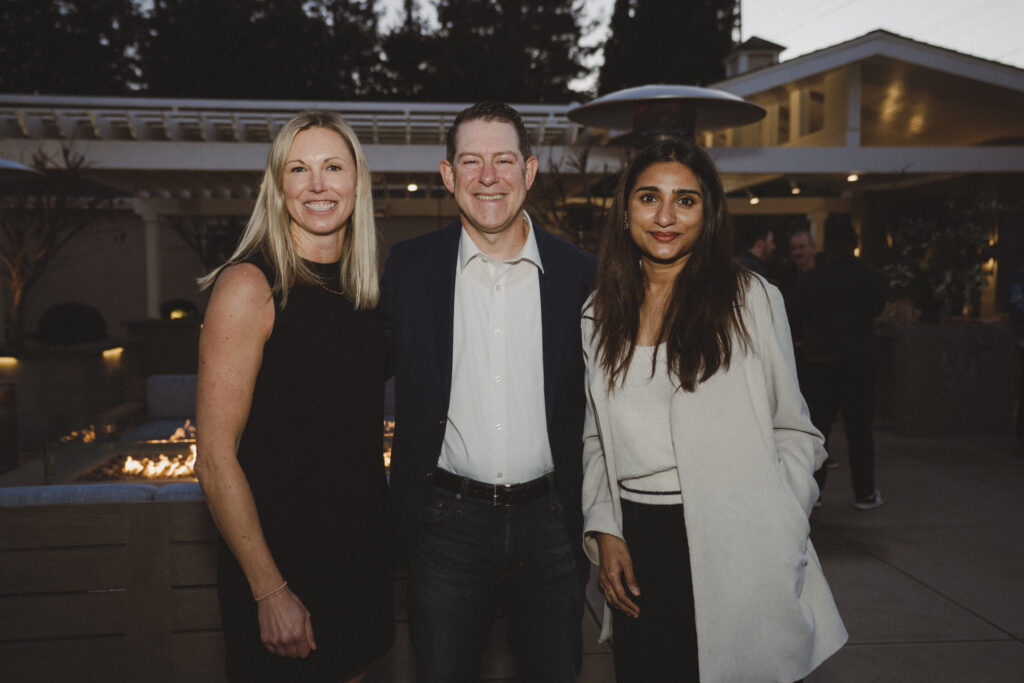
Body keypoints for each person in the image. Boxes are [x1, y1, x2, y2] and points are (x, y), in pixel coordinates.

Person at [581, 139, 847, 682]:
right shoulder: (597, 313)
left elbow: (796, 429)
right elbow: (595, 439)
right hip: (639, 545)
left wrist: (783, 521)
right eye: (649, 197)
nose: (664, 217)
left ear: (708, 213)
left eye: (685, 201)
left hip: (739, 536)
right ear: (625, 210)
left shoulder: (749, 300)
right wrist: (605, 527)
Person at [379, 102, 594, 682]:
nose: (488, 177)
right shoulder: (409, 269)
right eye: (471, 162)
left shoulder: (581, 275)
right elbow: (353, 371)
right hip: (446, 525)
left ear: (530, 171)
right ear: (447, 176)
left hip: (552, 523)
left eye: (503, 160)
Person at [195, 110, 393, 682]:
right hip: (280, 567)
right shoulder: (249, 286)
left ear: (357, 181)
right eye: (298, 169)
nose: (317, 185)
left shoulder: (362, 295)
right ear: (278, 186)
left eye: (333, 167)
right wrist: (269, 589)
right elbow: (213, 458)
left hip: (357, 561)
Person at [793, 219, 888, 510]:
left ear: (826, 245)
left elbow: (796, 314)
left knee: (819, 429)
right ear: (854, 243)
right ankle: (864, 492)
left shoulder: (813, 279)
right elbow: (876, 309)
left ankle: (816, 491)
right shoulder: (871, 278)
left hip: (820, 362)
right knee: (860, 430)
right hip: (858, 360)